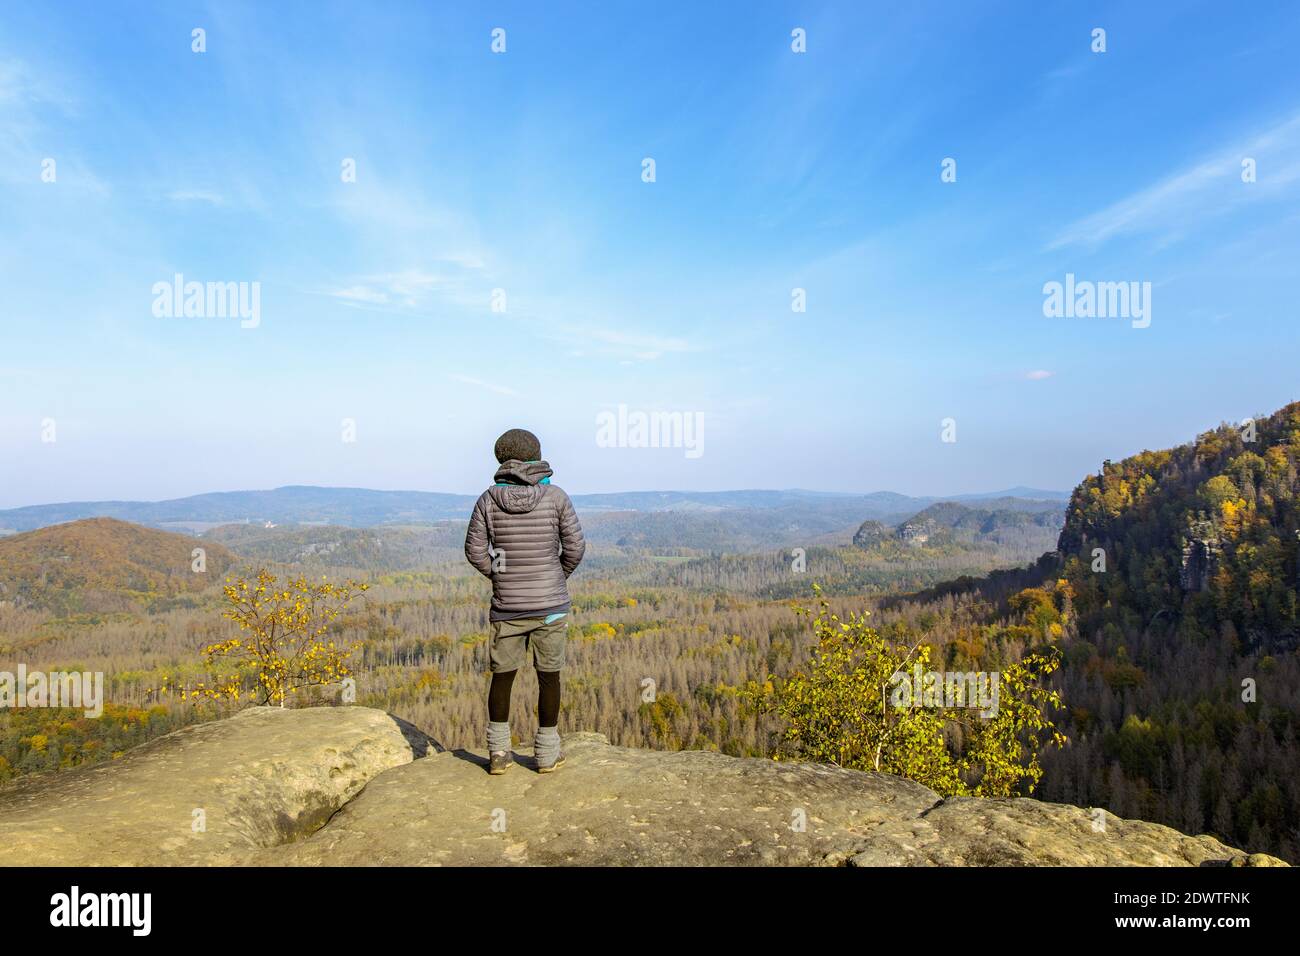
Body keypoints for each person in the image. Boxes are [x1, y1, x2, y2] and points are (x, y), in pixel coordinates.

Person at [464, 428, 586, 774]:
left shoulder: (488, 500)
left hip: (507, 608)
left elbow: (475, 551)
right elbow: (575, 548)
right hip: (550, 608)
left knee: (503, 677)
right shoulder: (556, 497)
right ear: (536, 458)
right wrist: (555, 576)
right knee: (549, 677)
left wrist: (500, 574)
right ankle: (546, 755)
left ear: (501, 459)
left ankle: (499, 755)